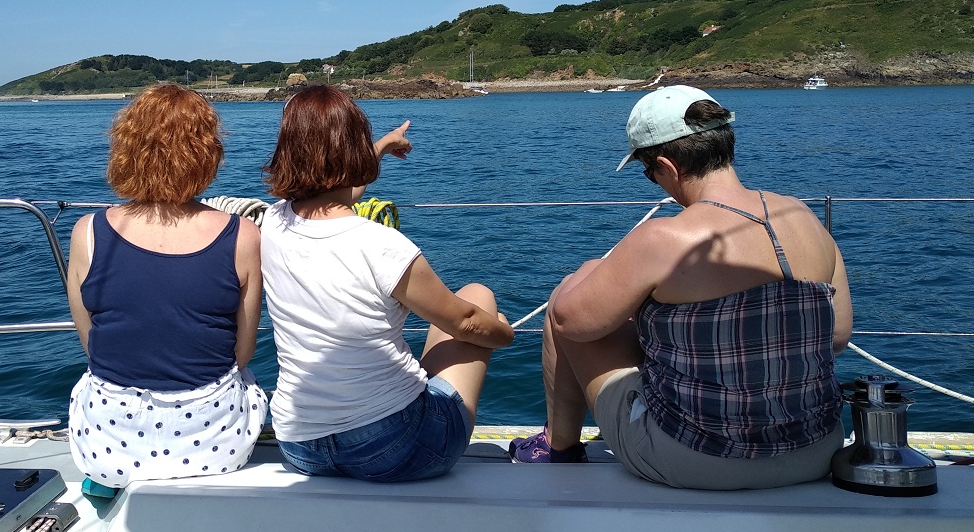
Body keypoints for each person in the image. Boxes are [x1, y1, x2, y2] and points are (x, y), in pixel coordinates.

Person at [510, 85, 852, 490]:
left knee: (567, 298)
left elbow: (572, 323)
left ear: (667, 167)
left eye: (648, 171)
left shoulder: (662, 239)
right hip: (815, 451)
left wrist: (591, 272)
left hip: (696, 460)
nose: (653, 182)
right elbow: (837, 336)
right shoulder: (803, 215)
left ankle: (558, 447)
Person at [261, 85, 515, 482]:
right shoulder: (383, 245)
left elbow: (335, 194)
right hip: (395, 449)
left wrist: (379, 148)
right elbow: (465, 323)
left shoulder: (273, 223)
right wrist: (505, 333)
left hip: (301, 447)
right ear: (353, 152)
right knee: (478, 299)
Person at [66, 84, 267, 488]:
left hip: (107, 449)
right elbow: (241, 355)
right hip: (216, 448)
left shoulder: (87, 231)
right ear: (207, 153)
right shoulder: (242, 235)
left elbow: (93, 343)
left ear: (126, 148)